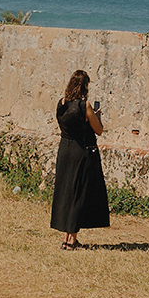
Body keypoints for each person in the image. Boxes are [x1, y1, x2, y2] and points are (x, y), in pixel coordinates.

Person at [50, 69, 110, 250]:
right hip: (81, 151)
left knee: (66, 192)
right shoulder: (85, 106)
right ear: (84, 86)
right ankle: (71, 240)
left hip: (65, 150)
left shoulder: (61, 103)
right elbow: (98, 130)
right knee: (78, 193)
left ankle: (66, 237)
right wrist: (97, 116)